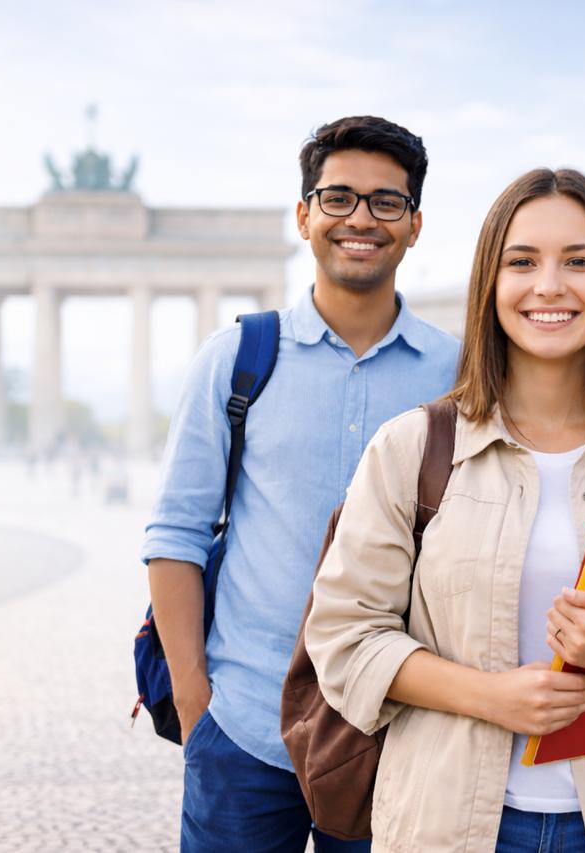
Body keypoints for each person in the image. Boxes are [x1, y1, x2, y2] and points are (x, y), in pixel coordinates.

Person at [305, 168, 585, 852]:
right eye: (522, 262)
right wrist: (490, 697)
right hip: (451, 826)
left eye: (578, 260)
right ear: (491, 282)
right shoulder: (410, 449)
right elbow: (344, 639)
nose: (549, 284)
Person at [140, 116, 460, 852]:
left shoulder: (460, 374)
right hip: (244, 731)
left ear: (414, 225)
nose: (360, 219)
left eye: (386, 202)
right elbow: (175, 534)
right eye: (338, 197)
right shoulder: (239, 358)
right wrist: (197, 704)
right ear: (304, 215)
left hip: (396, 732)